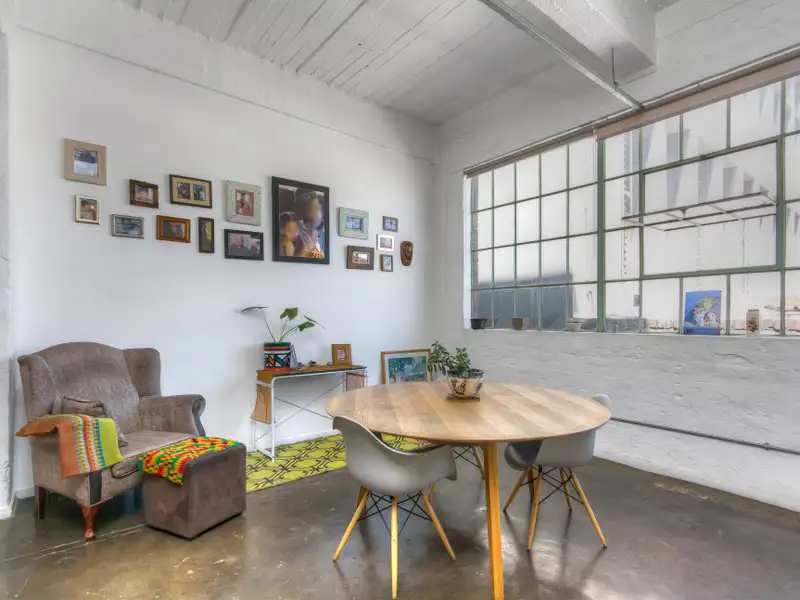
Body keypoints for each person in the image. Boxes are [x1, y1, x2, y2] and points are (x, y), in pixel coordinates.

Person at [294, 190, 325, 259]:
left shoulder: (324, 232)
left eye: (318, 208)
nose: (320, 212)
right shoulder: (294, 230)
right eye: (316, 207)